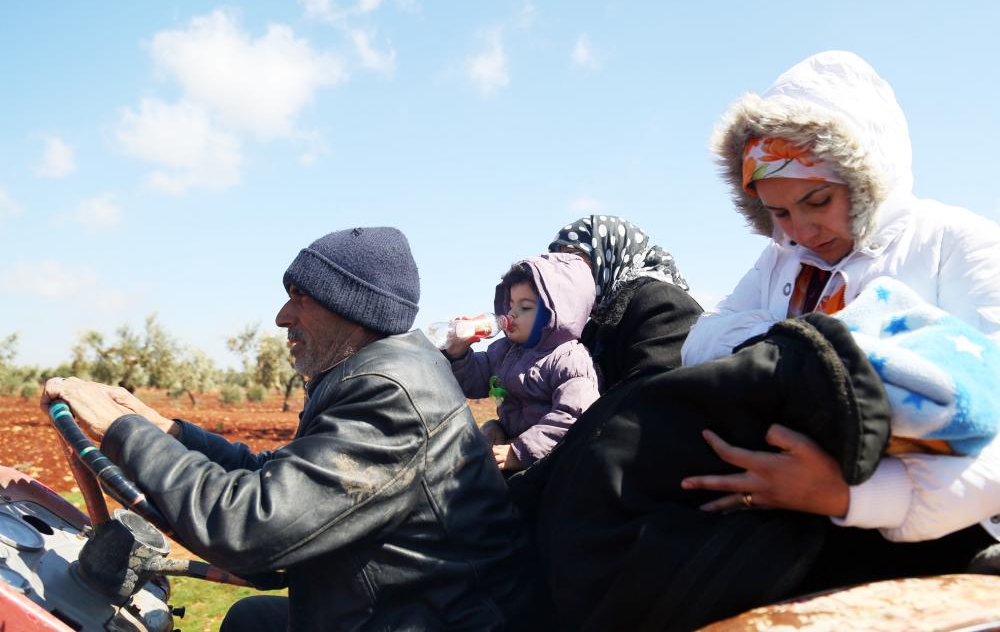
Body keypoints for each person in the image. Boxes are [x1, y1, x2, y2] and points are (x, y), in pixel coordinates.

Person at [41, 227, 535, 632]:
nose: (282, 317)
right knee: (250, 621)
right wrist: (165, 429)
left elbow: (249, 527)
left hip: (435, 620)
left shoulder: (391, 395)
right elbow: (278, 479)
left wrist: (121, 429)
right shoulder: (375, 373)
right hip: (401, 606)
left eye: (300, 297)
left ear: (353, 307)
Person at [679, 50, 1000, 552]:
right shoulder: (780, 260)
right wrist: (806, 351)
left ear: (865, 176)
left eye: (818, 201)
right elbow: (699, 343)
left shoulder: (956, 243)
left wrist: (851, 494)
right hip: (790, 519)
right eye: (778, 211)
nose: (801, 231)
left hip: (937, 539)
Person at [445, 253, 600, 472]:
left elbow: (573, 416)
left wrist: (520, 451)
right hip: (508, 448)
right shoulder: (504, 350)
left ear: (554, 313)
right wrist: (460, 353)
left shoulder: (569, 359)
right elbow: (475, 380)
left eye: (525, 307)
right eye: (510, 305)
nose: (512, 314)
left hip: (549, 465)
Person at [548, 215, 703, 390]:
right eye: (556, 263)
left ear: (605, 252)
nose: (561, 271)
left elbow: (653, 394)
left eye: (570, 257)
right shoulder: (593, 328)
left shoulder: (662, 302)